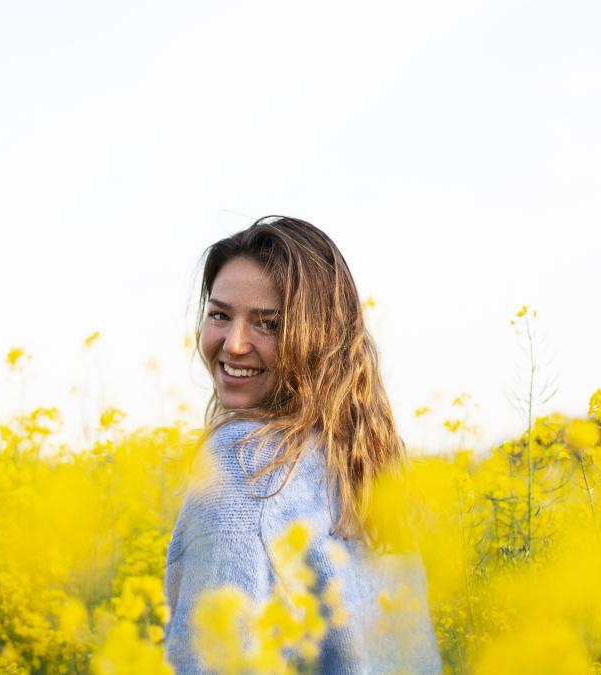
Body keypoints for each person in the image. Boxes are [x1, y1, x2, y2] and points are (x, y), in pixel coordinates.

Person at [163, 216, 443, 674]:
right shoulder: (366, 468)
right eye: (219, 315)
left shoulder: (243, 467)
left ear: (319, 338)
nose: (233, 344)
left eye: (268, 324)